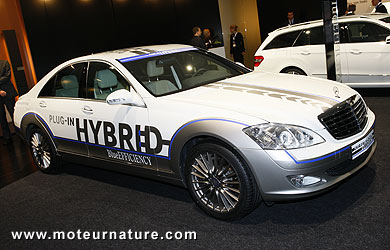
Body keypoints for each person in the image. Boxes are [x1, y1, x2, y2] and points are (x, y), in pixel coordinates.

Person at [0, 60, 18, 145]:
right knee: (1, 117)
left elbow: (7, 76)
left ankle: (19, 134)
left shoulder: (4, 63)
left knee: (13, 114)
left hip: (8, 92)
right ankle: (7, 137)